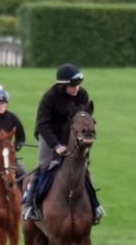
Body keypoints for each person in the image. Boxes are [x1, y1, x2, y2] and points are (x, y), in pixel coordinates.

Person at [24, 63, 99, 225]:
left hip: (72, 136)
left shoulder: (82, 95)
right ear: (62, 85)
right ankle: (31, 204)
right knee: (44, 166)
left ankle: (95, 206)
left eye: (77, 85)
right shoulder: (49, 98)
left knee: (84, 169)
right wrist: (56, 146)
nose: (76, 89)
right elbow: (43, 125)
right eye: (72, 86)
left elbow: (84, 118)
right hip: (49, 136)